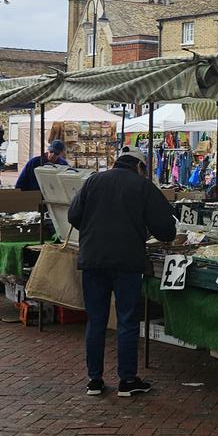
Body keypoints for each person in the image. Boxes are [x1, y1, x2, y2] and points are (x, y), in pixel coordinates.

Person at [67, 148, 177, 397]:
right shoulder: (142, 186)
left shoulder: (93, 180)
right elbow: (166, 230)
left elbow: (74, 215)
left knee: (96, 320)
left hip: (93, 260)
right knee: (127, 320)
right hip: (127, 262)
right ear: (140, 167)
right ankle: (127, 381)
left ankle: (94, 380)